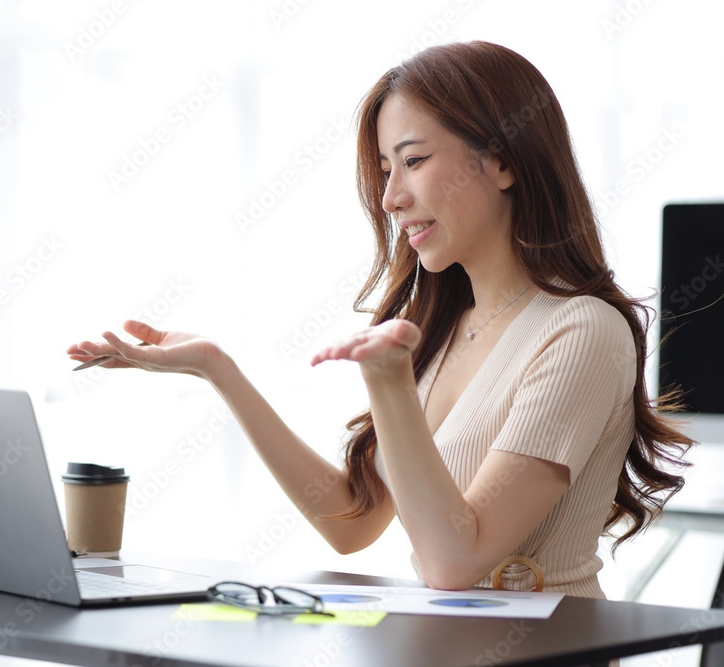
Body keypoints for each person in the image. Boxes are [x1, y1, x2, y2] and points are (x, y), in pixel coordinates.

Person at [67, 41, 693, 598]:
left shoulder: (581, 332)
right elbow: (350, 520)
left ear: (502, 162)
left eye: (413, 160)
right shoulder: (446, 333)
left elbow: (457, 563)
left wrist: (389, 382)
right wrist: (217, 370)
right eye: (386, 170)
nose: (391, 197)